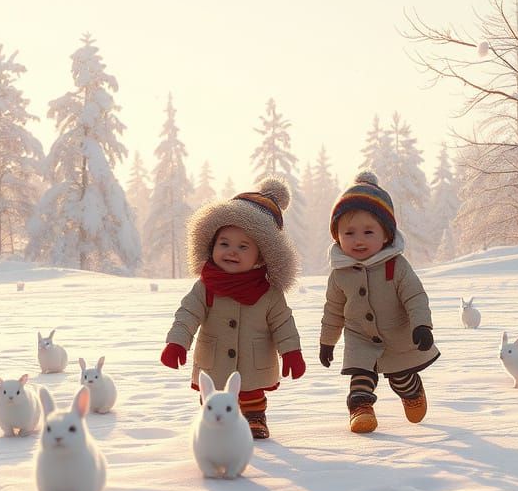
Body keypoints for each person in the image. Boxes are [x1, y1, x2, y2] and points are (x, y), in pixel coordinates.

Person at [160, 177, 305, 439]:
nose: (231, 251)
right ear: (211, 245)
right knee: (212, 391)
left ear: (261, 256)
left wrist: (291, 351)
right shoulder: (206, 286)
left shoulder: (268, 293)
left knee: (251, 391)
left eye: (243, 246)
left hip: (253, 361)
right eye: (224, 243)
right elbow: (187, 314)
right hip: (214, 359)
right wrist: (177, 342)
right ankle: (211, 421)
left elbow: (283, 322)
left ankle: (254, 417)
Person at [320, 171, 438, 434]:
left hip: (397, 334)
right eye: (349, 233)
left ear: (386, 235)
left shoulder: (397, 266)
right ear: (337, 236)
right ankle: (361, 410)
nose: (358, 240)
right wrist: (327, 341)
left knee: (400, 377)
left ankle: (412, 391)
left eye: (368, 231)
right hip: (360, 337)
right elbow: (333, 310)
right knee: (360, 376)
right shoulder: (339, 273)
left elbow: (415, 297)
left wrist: (422, 326)